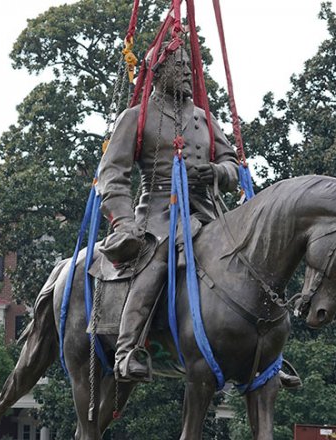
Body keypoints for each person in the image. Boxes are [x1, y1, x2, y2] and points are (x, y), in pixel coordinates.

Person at [96, 42, 301, 389]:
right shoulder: (137, 117)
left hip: (208, 211)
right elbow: (112, 174)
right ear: (158, 72)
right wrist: (123, 221)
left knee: (254, 262)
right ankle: (127, 349)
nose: (189, 73)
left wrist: (217, 173)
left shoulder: (204, 118)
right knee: (158, 261)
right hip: (160, 213)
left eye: (190, 66)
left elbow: (231, 164)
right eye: (179, 65)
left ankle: (267, 355)